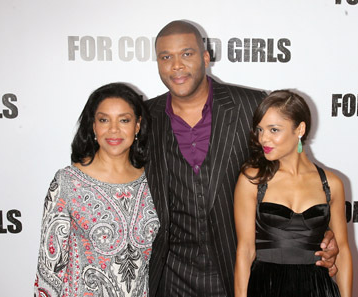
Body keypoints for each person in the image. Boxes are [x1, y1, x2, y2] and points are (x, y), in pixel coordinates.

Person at [145, 20, 339, 297]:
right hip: (171, 276)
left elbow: (290, 170)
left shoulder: (251, 105)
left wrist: (319, 232)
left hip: (241, 271)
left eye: (186, 54)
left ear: (205, 57)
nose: (176, 65)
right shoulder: (144, 118)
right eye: (166, 57)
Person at [34, 83, 160, 297]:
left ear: (137, 126)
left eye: (124, 120)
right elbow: (49, 270)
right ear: (93, 126)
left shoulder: (154, 180)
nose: (113, 129)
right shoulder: (68, 182)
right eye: (104, 120)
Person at [234, 90, 353, 297]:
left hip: (318, 289)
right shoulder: (253, 180)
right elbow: (245, 252)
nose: (264, 139)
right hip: (266, 287)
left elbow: (342, 251)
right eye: (260, 130)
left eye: (274, 130)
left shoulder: (331, 184)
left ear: (300, 129)